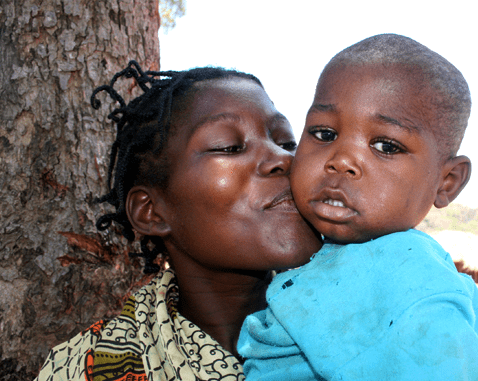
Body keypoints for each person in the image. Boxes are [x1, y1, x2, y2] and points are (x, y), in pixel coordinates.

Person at [35, 62, 322, 381]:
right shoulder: (82, 368)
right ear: (151, 212)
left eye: (286, 143)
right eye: (229, 146)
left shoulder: (370, 320)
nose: (284, 159)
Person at [238, 34, 478, 380]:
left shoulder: (414, 282)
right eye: (323, 134)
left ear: (447, 182)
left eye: (385, 145)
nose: (341, 161)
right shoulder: (327, 260)